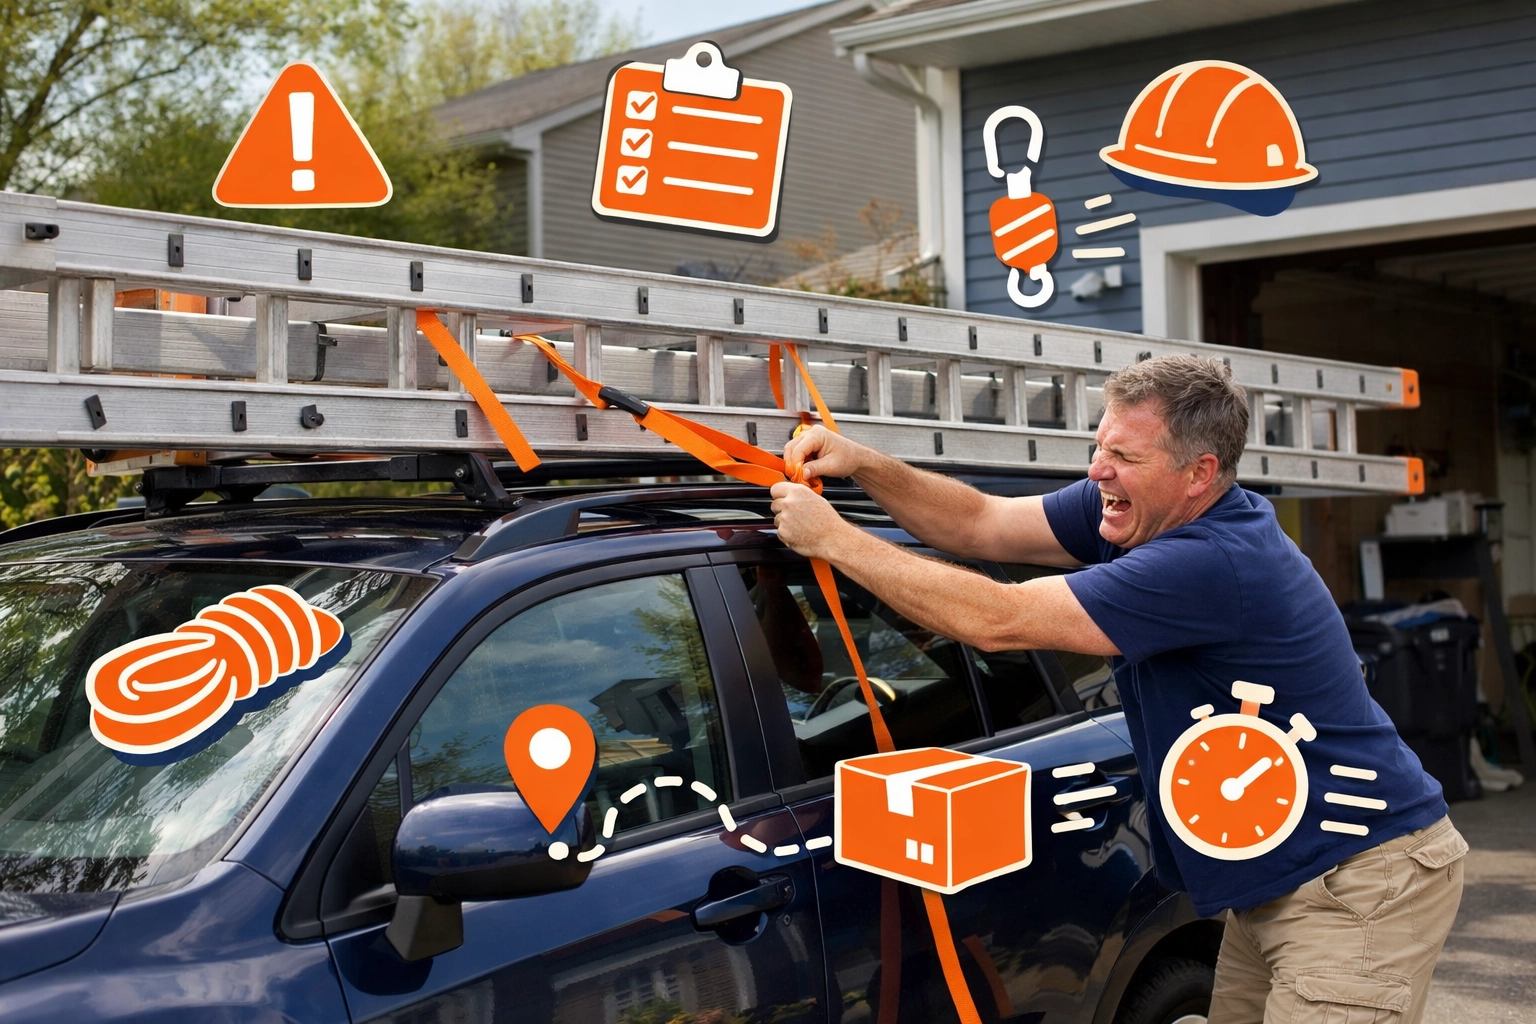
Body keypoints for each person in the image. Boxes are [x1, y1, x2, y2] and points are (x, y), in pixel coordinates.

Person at [769, 354, 1464, 1024]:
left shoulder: (1210, 562)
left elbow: (999, 621)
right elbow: (980, 522)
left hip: (1359, 882)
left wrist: (834, 540)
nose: (1100, 470)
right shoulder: (1131, 512)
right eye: (1100, 446)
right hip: (1284, 886)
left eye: (1125, 457)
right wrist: (861, 462)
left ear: (1200, 473)